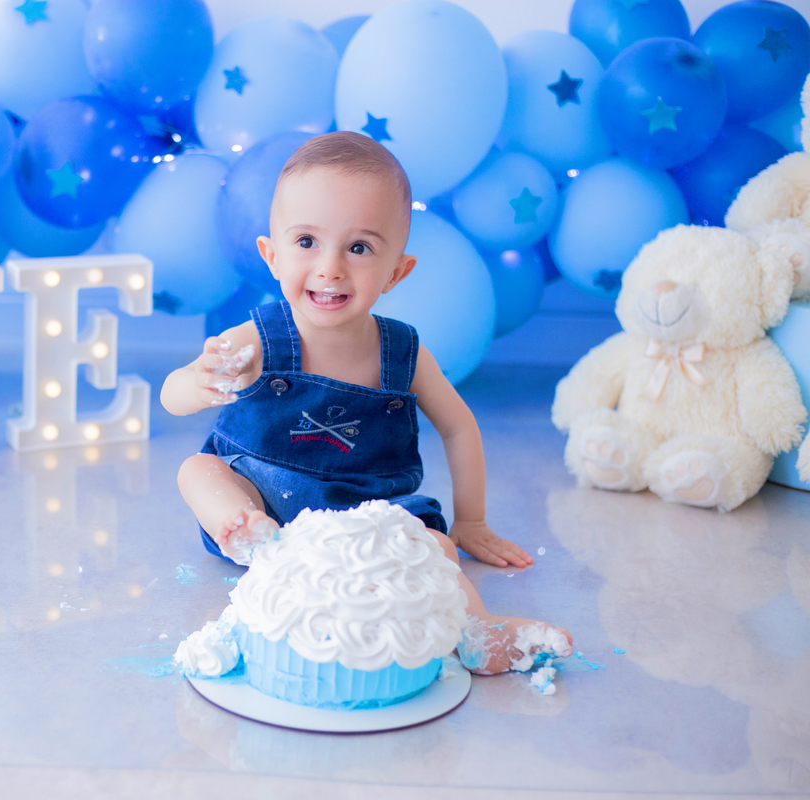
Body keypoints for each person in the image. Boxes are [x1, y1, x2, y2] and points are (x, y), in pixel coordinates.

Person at [160, 131, 572, 674]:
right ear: (272, 255)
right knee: (199, 469)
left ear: (396, 271)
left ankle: (476, 633)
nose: (330, 267)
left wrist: (469, 522)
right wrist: (200, 381)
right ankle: (254, 543)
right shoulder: (256, 340)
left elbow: (459, 427)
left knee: (434, 548)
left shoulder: (402, 352)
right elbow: (172, 397)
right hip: (267, 508)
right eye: (307, 242)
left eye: (359, 248)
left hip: (370, 522)